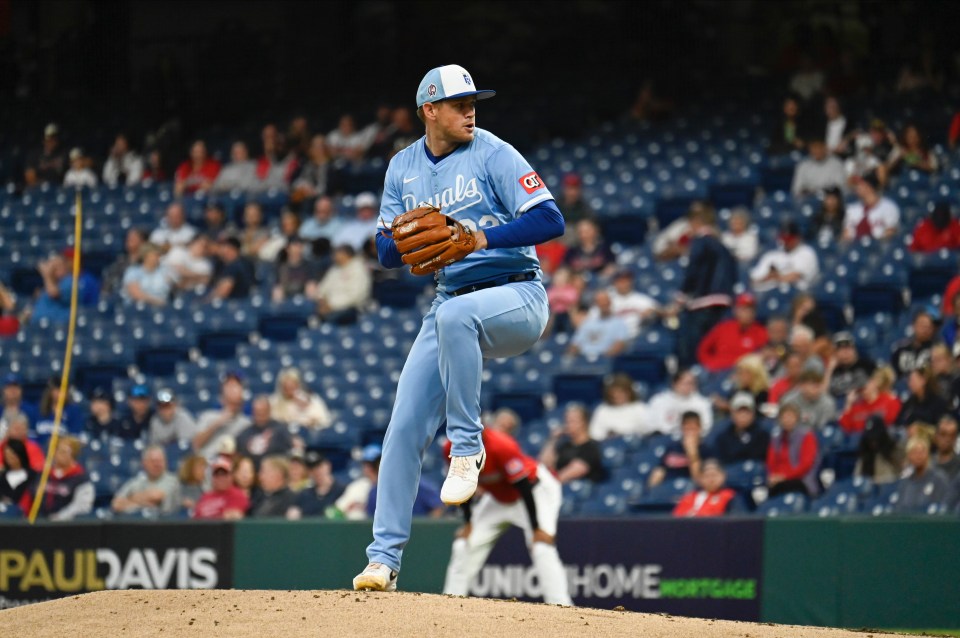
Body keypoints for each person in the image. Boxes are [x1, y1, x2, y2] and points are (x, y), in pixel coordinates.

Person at [353, 64, 565, 593]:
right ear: (430, 110)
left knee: (454, 315)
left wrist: (477, 239)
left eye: (474, 101)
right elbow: (382, 251)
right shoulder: (402, 167)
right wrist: (407, 236)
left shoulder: (493, 152)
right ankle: (383, 561)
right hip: (450, 304)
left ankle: (467, 447)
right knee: (401, 429)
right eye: (459, 103)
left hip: (516, 293)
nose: (471, 110)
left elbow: (550, 220)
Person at [442, 427, 572, 605]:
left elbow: (523, 486)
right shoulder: (451, 447)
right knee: (463, 544)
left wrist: (535, 528)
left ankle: (562, 607)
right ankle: (450, 604)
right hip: (498, 498)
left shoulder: (501, 445)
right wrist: (468, 523)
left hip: (535, 491)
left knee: (541, 547)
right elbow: (460, 484)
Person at [672, 203, 737, 367]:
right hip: (723, 303)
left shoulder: (700, 242)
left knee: (692, 349)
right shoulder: (722, 246)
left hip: (702, 302)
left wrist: (681, 297)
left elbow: (693, 271)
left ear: (696, 223)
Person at [697, 293, 768, 372]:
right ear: (736, 310)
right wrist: (710, 364)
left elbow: (762, 355)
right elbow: (703, 349)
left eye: (750, 309)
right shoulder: (723, 327)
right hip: (716, 370)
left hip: (741, 372)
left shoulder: (760, 332)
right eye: (743, 309)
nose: (747, 313)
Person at [539, 404, 605, 484]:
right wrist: (553, 439)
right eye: (567, 421)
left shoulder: (591, 447)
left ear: (584, 423)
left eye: (573, 421)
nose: (568, 425)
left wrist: (550, 484)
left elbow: (573, 472)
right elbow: (544, 464)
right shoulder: (564, 446)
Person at [193, 372, 253, 459]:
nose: (233, 390)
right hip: (208, 462)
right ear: (221, 397)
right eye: (229, 386)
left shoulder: (247, 423)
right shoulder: (208, 416)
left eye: (236, 386)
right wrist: (217, 424)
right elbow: (196, 444)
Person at [33, 437, 94, 521]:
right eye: (58, 450)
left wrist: (59, 517)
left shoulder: (81, 478)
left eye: (64, 452)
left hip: (66, 525)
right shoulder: (43, 473)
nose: (59, 454)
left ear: (73, 455)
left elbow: (82, 506)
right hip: (39, 521)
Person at [766, 402, 819, 498]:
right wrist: (774, 476)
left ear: (797, 418)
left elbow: (806, 464)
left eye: (790, 416)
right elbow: (771, 462)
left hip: (800, 480)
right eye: (784, 417)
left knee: (787, 487)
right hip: (778, 480)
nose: (787, 420)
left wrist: (785, 477)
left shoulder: (807, 436)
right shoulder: (776, 438)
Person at [750, 221, 820, 293]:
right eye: (783, 239)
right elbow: (754, 280)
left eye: (789, 239)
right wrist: (770, 276)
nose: (785, 242)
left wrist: (774, 276)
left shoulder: (806, 252)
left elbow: (795, 276)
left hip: (796, 293)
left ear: (797, 238)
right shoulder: (771, 255)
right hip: (768, 293)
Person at [110, 445, 181, 517]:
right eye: (153, 461)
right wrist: (142, 501)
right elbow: (116, 505)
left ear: (165, 462)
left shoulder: (172, 480)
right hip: (137, 523)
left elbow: (155, 497)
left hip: (164, 524)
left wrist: (129, 500)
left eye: (160, 461)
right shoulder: (136, 481)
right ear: (144, 463)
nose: (157, 464)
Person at [30, 253, 99, 325]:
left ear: (64, 267)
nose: (53, 271)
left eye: (56, 267)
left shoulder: (70, 282)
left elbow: (54, 294)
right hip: (39, 326)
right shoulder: (51, 284)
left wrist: (46, 275)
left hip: (56, 326)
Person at [310, 244, 372, 324]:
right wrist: (321, 300)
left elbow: (356, 296)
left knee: (329, 319)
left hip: (350, 309)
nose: (334, 256)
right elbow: (322, 288)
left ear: (346, 254)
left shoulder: (359, 269)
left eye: (337, 253)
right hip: (327, 306)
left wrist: (331, 305)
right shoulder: (335, 269)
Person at [650, 411, 712, 490]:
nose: (690, 432)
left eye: (693, 428)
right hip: (668, 486)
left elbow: (698, 480)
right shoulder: (672, 447)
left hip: (689, 489)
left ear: (700, 429)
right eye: (687, 428)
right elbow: (660, 470)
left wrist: (693, 453)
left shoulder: (705, 449)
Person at [892, 436, 952, 514]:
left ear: (927, 454)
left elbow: (944, 505)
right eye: (914, 453)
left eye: (921, 452)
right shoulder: (905, 481)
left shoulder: (938, 478)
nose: (918, 456)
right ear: (909, 456)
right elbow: (899, 507)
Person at [646, 369, 713, 436]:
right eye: (686, 383)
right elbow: (652, 426)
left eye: (693, 383)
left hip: (692, 440)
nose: (690, 387)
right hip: (664, 440)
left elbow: (706, 427)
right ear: (674, 384)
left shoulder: (702, 402)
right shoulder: (658, 401)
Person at [567, 290, 630, 358]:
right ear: (596, 304)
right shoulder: (587, 323)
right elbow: (575, 344)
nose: (603, 303)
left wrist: (602, 359)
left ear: (610, 302)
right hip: (583, 360)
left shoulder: (619, 323)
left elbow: (620, 345)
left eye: (605, 300)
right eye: (600, 301)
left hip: (605, 360)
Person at [235, 396, 294, 468]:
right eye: (257, 412)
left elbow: (289, 454)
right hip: (252, 475)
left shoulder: (281, 430)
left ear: (269, 411)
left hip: (275, 472)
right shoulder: (244, 434)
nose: (260, 415)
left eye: (263, 411)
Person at [838, 366, 901, 434]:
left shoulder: (889, 400)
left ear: (873, 382)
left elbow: (893, 423)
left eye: (865, 387)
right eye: (860, 389)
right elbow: (844, 428)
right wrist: (848, 404)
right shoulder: (855, 408)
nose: (863, 391)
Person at [713, 392, 771, 465]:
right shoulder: (723, 438)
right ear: (732, 414)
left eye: (746, 411)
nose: (743, 415)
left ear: (753, 413)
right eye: (739, 411)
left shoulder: (763, 435)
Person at [841, 172, 900, 242]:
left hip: (878, 248)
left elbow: (890, 234)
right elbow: (845, 236)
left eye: (859, 184)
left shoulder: (889, 207)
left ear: (869, 187)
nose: (856, 187)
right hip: (854, 246)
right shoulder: (851, 209)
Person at [588, 374, 648, 440]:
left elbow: (647, 430)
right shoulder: (602, 410)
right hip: (608, 444)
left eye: (621, 392)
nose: (617, 395)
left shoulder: (639, 407)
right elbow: (594, 434)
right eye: (614, 392)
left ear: (629, 392)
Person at [287, 452, 345, 519]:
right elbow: (293, 515)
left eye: (319, 466)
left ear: (328, 466)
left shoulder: (343, 491)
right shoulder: (304, 495)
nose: (316, 471)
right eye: (311, 469)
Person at [672, 459, 740, 517]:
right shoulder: (689, 498)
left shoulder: (730, 496)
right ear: (700, 478)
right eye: (707, 476)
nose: (711, 479)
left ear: (723, 476)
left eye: (714, 475)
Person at [853, 415, 904, 485]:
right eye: (870, 438)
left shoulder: (893, 450)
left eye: (875, 437)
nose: (872, 441)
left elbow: (902, 474)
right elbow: (857, 478)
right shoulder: (865, 454)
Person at [826, 331, 876, 398]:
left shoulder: (867, 365)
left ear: (854, 349)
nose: (845, 352)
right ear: (835, 353)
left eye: (848, 348)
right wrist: (830, 369)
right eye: (841, 349)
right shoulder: (832, 371)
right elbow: (822, 395)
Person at [891, 309, 941, 376]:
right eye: (922, 325)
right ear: (914, 326)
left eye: (928, 327)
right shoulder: (900, 349)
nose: (925, 329)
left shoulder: (937, 350)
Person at [101, 228, 148, 297]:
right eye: (128, 238)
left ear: (142, 241)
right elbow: (107, 286)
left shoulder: (147, 262)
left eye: (133, 238)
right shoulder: (120, 263)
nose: (129, 240)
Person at [272, 237, 320, 302]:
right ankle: (279, 311)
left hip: (303, 295)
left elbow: (312, 283)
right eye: (295, 245)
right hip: (286, 295)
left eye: (300, 246)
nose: (298, 249)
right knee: (277, 291)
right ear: (287, 248)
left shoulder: (309, 265)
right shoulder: (281, 266)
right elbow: (277, 285)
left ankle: (309, 309)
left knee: (311, 287)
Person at [207, 237, 254, 301]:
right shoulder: (223, 264)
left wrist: (204, 302)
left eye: (224, 248)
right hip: (238, 301)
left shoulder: (236, 265)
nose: (221, 251)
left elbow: (223, 291)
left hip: (235, 302)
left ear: (232, 249)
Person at [24, 123, 67, 188]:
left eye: (54, 138)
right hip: (39, 188)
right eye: (49, 139)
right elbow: (29, 177)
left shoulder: (64, 153)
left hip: (59, 188)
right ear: (44, 140)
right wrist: (44, 185)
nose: (51, 141)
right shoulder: (35, 154)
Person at [0, 439, 38, 513]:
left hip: (25, 516)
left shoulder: (33, 476)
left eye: (13, 455)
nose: (10, 459)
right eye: (7, 456)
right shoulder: (2, 476)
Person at [933, 415, 960, 480]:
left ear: (956, 438)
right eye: (943, 434)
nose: (947, 439)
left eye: (952, 435)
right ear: (936, 436)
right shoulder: (927, 464)